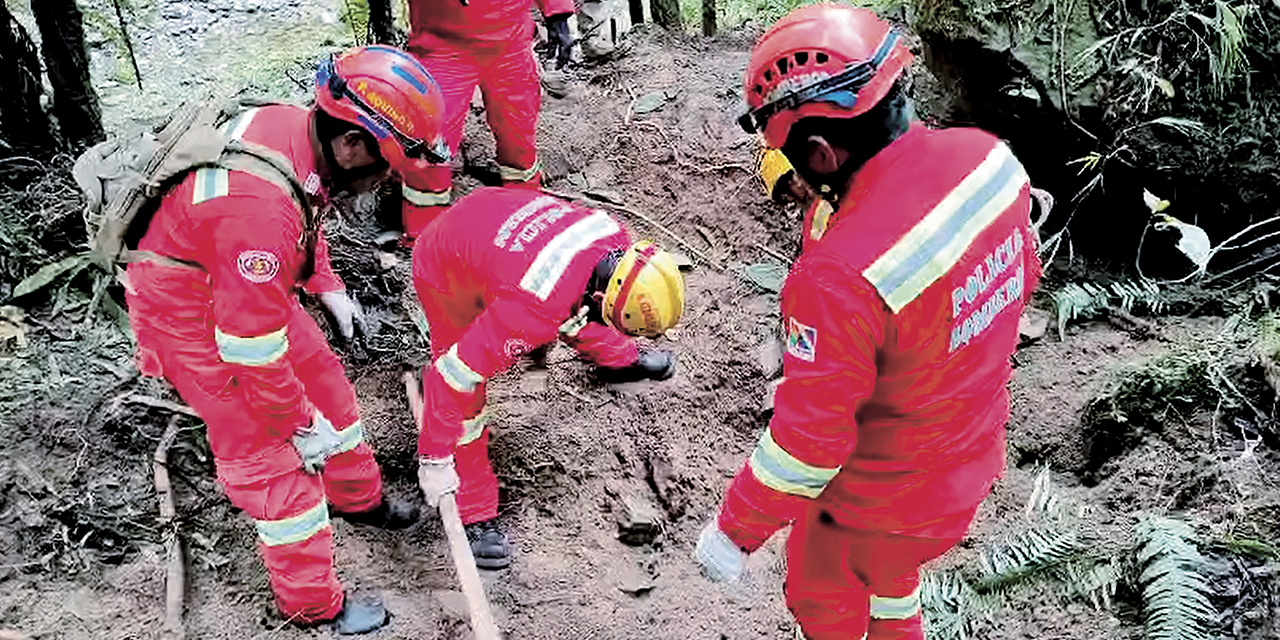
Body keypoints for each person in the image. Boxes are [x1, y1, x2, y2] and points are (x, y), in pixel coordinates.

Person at [693, 5, 1043, 640]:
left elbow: (807, 448)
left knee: (820, 592)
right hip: (967, 461)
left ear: (821, 153)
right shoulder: (989, 160)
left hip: (877, 501)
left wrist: (733, 530)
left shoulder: (836, 278)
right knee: (890, 580)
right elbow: (1019, 280)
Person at [124, 46, 450, 633]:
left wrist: (324, 282)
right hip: (187, 309)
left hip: (240, 281)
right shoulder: (257, 213)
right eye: (386, 168)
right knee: (271, 461)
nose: (385, 181)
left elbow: (306, 205)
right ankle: (312, 607)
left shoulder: (295, 130)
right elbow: (251, 347)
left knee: (328, 386)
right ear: (352, 143)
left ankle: (359, 499)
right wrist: (298, 426)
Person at [411, 187, 685, 568]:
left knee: (576, 307)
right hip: (444, 265)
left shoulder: (615, 237)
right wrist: (434, 458)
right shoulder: (530, 312)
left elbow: (579, 298)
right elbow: (449, 379)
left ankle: (619, 358)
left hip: (490, 215)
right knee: (467, 395)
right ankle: (473, 507)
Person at [398, 0, 576, 242]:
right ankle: (424, 236)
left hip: (510, 40)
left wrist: (558, 13)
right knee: (429, 141)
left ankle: (525, 212)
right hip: (441, 45)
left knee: (518, 134)